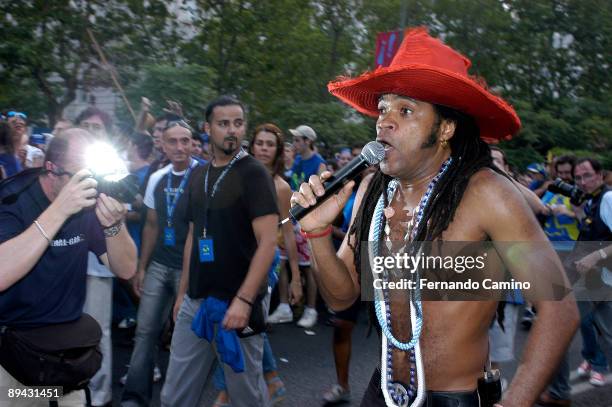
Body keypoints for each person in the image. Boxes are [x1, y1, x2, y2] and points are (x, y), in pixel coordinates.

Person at [293, 28, 579, 406]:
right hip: (383, 392)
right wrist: (317, 234)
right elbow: (342, 297)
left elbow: (559, 308)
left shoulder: (486, 194)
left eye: (405, 110)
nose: (384, 122)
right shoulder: (372, 191)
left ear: (444, 128)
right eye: (383, 109)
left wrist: (517, 401)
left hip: (456, 397)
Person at [0, 128, 137, 406]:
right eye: (81, 176)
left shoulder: (87, 205)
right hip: (12, 355)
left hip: (65, 354)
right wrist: (60, 210)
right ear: (51, 169)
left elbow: (126, 269)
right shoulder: (12, 199)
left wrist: (114, 226)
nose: (90, 184)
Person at [160, 95, 278, 407]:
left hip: (238, 307)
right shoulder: (198, 174)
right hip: (195, 306)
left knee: (246, 397)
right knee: (173, 396)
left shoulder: (254, 173)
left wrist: (244, 300)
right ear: (207, 128)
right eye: (223, 124)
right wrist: (182, 294)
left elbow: (269, 242)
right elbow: (191, 238)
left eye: (238, 124)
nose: (232, 131)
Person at [212, 123, 303, 406]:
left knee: (250, 325)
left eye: (270, 144)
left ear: (277, 152)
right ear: (252, 146)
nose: (264, 148)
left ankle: (228, 391)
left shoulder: (280, 187)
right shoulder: (237, 176)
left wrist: (297, 277)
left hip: (266, 263)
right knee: (232, 323)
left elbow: (287, 233)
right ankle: (270, 377)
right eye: (260, 143)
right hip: (233, 259)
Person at [121, 120, 199, 406]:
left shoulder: (202, 174)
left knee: (185, 338)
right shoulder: (158, 177)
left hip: (189, 269)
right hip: (159, 265)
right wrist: (141, 267)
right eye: (173, 142)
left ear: (192, 143)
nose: (180, 147)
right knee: (145, 331)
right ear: (163, 146)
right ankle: (134, 397)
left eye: (185, 141)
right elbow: (152, 225)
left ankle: (179, 398)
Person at [539, 157, 612, 406]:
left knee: (557, 328)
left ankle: (560, 392)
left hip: (600, 279)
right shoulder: (592, 200)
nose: (581, 182)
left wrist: (596, 255)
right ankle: (560, 391)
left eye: (587, 176)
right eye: (578, 177)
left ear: (601, 175)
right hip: (592, 280)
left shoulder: (608, 198)